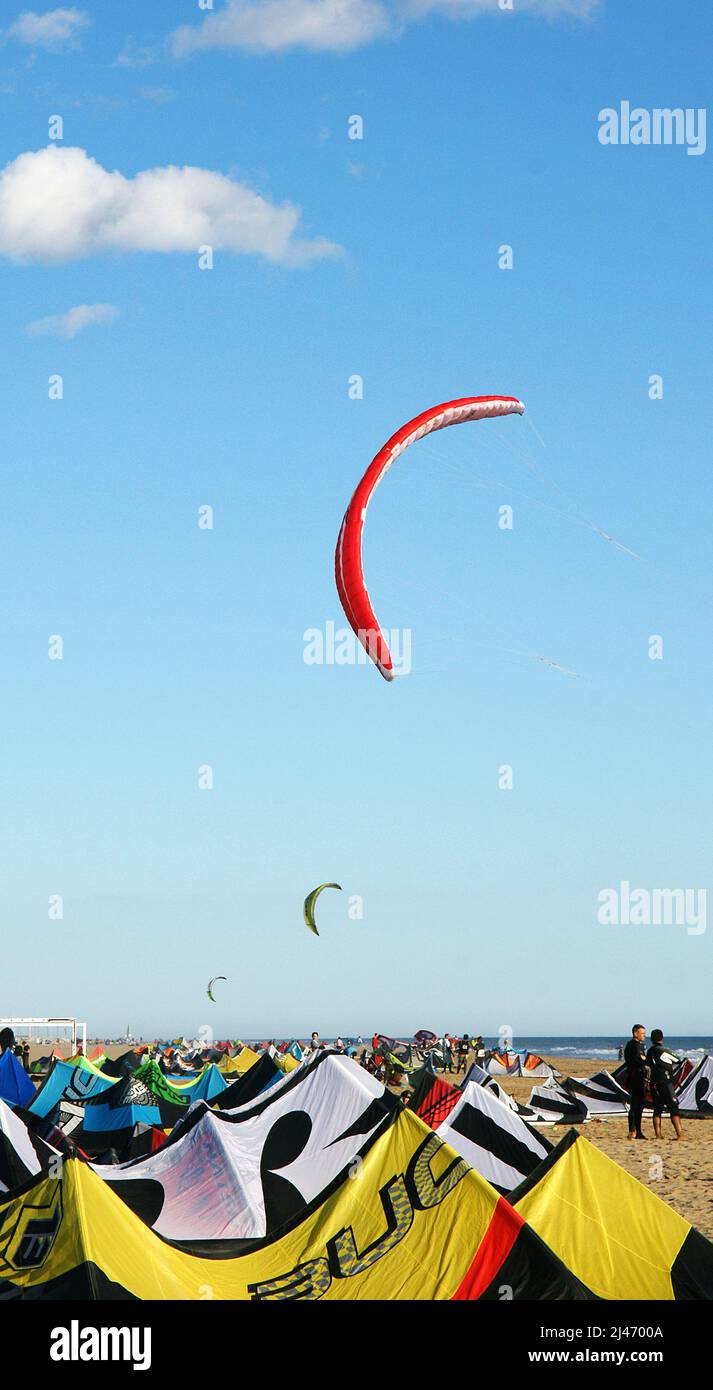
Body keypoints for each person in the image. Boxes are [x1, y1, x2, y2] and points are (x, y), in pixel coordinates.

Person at [646, 1029, 686, 1141]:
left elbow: (647, 1063)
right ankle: (680, 1134)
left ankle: (658, 1135)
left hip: (654, 1083)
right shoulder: (664, 1050)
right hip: (665, 1082)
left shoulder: (649, 1052)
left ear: (651, 1039)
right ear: (662, 1039)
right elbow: (678, 1059)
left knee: (657, 1108)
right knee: (673, 1108)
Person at [624, 1023, 648, 1139]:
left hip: (641, 1077)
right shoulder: (632, 1045)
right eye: (642, 1033)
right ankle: (632, 1130)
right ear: (635, 1033)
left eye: (644, 1033)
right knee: (635, 1105)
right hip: (635, 1077)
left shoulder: (640, 1045)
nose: (644, 1035)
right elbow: (638, 1061)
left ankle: (638, 1130)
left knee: (640, 1105)